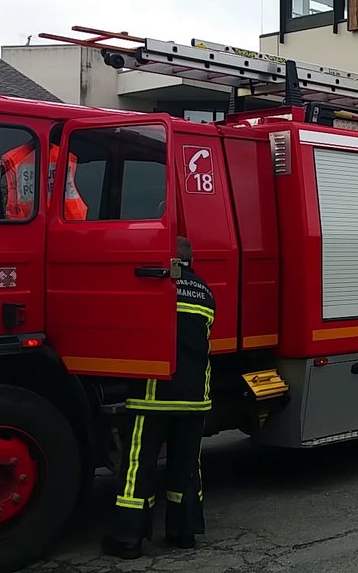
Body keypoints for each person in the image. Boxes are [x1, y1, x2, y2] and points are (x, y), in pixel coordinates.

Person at [102, 237, 215, 559]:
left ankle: (127, 538)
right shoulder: (205, 291)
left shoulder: (153, 288)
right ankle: (184, 534)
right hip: (194, 398)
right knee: (187, 468)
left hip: (152, 398)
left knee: (138, 467)